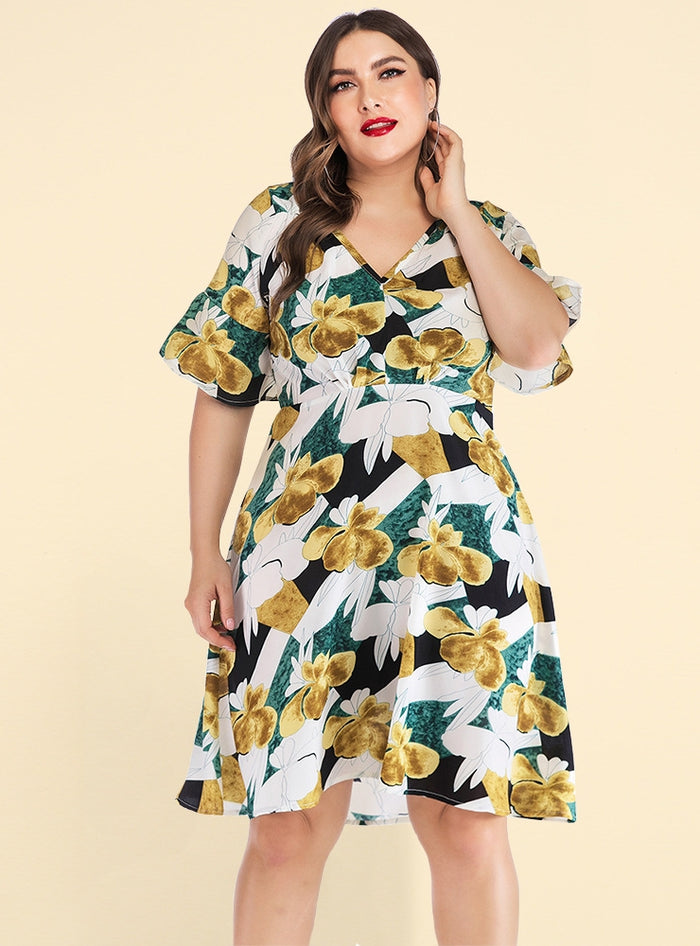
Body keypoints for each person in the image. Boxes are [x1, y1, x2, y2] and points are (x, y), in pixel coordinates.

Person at [159, 9, 581, 945]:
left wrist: (457, 209)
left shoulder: (490, 227)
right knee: (285, 828)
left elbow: (535, 346)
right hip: (302, 550)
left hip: (462, 555)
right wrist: (203, 553)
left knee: (468, 820)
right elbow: (224, 390)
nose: (369, 97)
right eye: (343, 84)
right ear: (325, 109)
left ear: (430, 91)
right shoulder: (278, 222)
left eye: (390, 73)